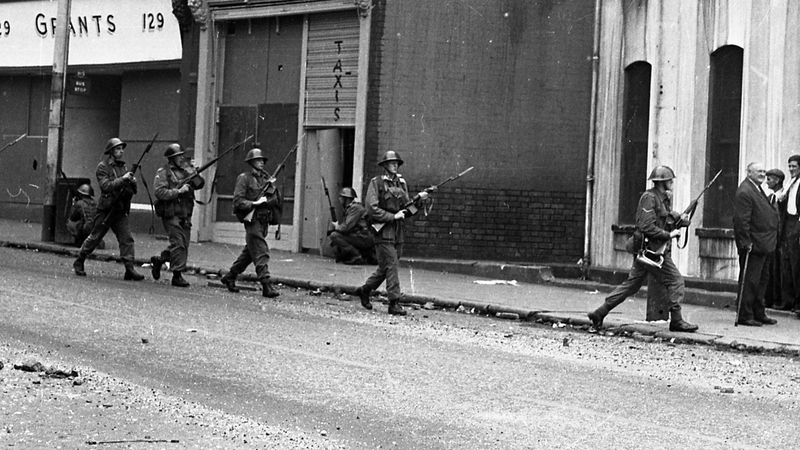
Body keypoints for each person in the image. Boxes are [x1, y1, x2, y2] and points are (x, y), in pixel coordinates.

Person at [587, 166, 698, 332]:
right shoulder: (649, 198)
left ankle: (600, 312)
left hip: (652, 250)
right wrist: (669, 235)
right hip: (651, 251)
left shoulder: (663, 198)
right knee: (676, 281)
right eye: (669, 180)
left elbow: (664, 220)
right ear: (662, 182)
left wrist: (680, 220)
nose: (672, 183)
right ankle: (676, 321)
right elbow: (646, 226)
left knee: (632, 285)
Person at [354, 151, 429, 315]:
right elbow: (372, 208)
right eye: (392, 162)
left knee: (385, 267)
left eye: (397, 163)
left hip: (398, 231)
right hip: (383, 230)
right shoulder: (377, 183)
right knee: (392, 265)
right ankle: (394, 303)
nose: (395, 165)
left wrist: (420, 201)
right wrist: (392, 216)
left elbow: (407, 208)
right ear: (385, 166)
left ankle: (364, 290)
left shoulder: (401, 183)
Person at [73, 138, 143, 280]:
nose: (121, 151)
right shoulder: (103, 167)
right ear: (111, 151)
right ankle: (79, 260)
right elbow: (106, 186)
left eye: (122, 149)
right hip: (107, 209)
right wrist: (123, 179)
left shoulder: (123, 167)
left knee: (127, 239)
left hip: (120, 209)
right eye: (118, 149)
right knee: (95, 236)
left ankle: (129, 269)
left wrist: (132, 183)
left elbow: (130, 190)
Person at [219, 148, 280, 298]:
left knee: (249, 254)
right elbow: (238, 201)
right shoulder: (244, 178)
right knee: (261, 251)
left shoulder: (265, 179)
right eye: (259, 160)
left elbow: (274, 200)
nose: (262, 163)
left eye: (263, 160)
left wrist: (271, 192)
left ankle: (230, 277)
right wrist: (255, 203)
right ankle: (266, 284)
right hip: (252, 220)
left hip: (263, 221)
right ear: (251, 162)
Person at [149, 143, 205, 287]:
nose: (181, 158)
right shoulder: (164, 172)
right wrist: (178, 191)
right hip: (171, 213)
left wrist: (194, 172)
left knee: (182, 245)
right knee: (178, 243)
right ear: (171, 158)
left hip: (185, 213)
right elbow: (159, 192)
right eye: (178, 156)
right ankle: (177, 275)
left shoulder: (186, 170)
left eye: (182, 155)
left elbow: (200, 184)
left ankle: (160, 260)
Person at [733, 162, 779, 326]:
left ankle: (758, 312)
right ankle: (744, 315)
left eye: (764, 171)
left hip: (764, 243)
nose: (762, 174)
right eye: (759, 171)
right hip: (753, 244)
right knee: (750, 281)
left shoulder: (756, 188)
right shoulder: (745, 191)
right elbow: (741, 220)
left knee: (761, 280)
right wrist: (745, 242)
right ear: (749, 173)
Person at [328, 187, 376, 265]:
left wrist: (336, 226)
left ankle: (356, 255)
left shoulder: (354, 209)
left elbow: (346, 227)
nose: (339, 199)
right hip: (363, 236)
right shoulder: (353, 208)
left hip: (364, 237)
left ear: (346, 199)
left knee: (334, 236)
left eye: (341, 197)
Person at [776, 155, 800, 312]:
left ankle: (798, 303)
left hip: (797, 223)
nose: (791, 169)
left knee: (796, 263)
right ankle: (788, 300)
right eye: (789, 166)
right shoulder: (790, 183)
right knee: (786, 262)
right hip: (788, 223)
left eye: (794, 166)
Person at [764, 168, 785, 309]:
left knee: (779, 269)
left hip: (780, 238)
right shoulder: (770, 197)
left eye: (769, 179)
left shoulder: (784, 196)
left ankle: (778, 299)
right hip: (770, 237)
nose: (767, 182)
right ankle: (769, 298)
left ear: (777, 181)